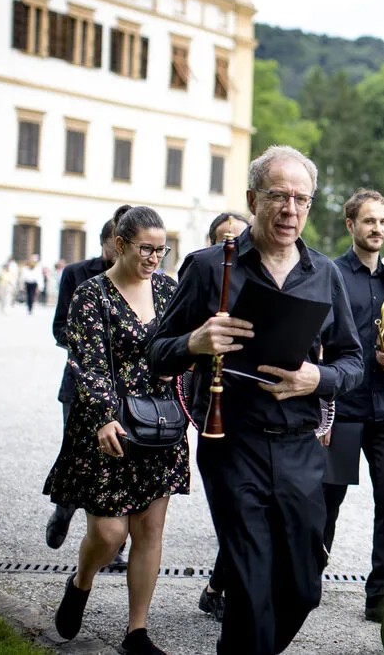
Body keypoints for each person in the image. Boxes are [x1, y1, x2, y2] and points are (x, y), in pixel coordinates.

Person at [149, 145, 363, 654]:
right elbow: (156, 353)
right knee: (249, 587)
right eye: (278, 196)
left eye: (301, 199)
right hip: (233, 445)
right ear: (252, 200)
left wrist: (316, 378)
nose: (290, 209)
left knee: (304, 589)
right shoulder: (208, 267)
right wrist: (195, 342)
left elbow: (353, 362)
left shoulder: (325, 274)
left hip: (300, 447)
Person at [43, 205, 186, 654]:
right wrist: (105, 416)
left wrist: (181, 363)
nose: (154, 258)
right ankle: (81, 580)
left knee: (149, 532)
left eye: (161, 250)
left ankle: (136, 632)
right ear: (120, 245)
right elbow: (87, 363)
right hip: (109, 427)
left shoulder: (168, 290)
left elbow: (180, 346)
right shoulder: (91, 294)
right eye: (146, 249)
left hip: (159, 425)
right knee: (109, 534)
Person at [319, 188, 384, 623]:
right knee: (329, 498)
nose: (377, 229)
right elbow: (321, 341)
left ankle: (379, 595)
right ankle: (308, 579)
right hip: (344, 406)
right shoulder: (332, 273)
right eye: (369, 221)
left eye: (383, 222)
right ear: (350, 225)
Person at [46, 213, 124, 555]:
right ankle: (64, 510)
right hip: (79, 383)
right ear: (106, 242)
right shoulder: (76, 274)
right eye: (116, 247)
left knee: (119, 460)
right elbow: (59, 328)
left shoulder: (143, 280)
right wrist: (95, 346)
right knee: (77, 455)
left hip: (124, 387)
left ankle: (115, 545)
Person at [194, 211, 253, 621]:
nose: (232, 243)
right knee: (236, 511)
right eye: (223, 238)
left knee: (251, 514)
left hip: (258, 408)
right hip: (216, 407)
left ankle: (218, 588)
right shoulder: (203, 272)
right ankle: (224, 591)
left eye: (239, 236)